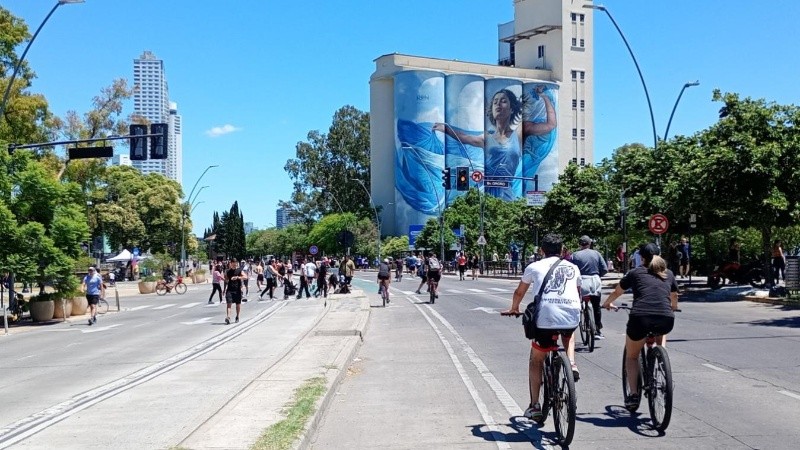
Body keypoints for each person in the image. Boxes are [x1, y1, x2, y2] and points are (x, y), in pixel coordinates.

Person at [502, 234, 581, 421]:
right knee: (569, 331)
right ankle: (571, 362)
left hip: (545, 319)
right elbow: (577, 292)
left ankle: (535, 406)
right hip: (571, 315)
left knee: (536, 360)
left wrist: (514, 308)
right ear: (562, 250)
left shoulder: (534, 266)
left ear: (542, 250)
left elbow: (519, 292)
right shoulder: (573, 267)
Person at [602, 243, 679, 411]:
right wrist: (673, 307)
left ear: (641, 258)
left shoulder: (635, 273)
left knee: (631, 356)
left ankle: (633, 395)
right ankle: (661, 357)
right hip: (665, 319)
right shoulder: (669, 273)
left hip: (640, 318)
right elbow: (674, 296)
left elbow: (617, 292)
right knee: (661, 328)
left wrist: (607, 303)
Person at [571, 235, 608, 339]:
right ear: (590, 243)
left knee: (580, 303)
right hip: (595, 280)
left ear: (580, 244)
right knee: (596, 306)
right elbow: (605, 269)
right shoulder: (596, 253)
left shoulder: (575, 255)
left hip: (582, 280)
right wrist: (598, 275)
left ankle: (582, 320)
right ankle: (598, 330)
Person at [223, 258, 245, 324]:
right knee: (229, 303)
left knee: (238, 304)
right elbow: (226, 280)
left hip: (237, 290)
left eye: (236, 264)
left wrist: (237, 277)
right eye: (233, 264)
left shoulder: (239, 270)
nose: (235, 265)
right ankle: (228, 317)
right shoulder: (227, 271)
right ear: (231, 263)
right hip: (229, 290)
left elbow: (245, 277)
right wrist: (224, 289)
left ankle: (237, 316)